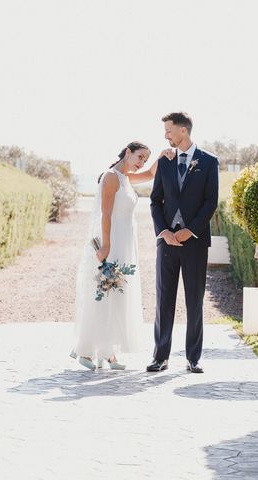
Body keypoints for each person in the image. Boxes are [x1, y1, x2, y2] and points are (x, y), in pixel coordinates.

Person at [70, 141, 173, 370]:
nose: (142, 163)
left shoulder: (126, 177)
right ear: (128, 153)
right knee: (105, 293)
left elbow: (148, 174)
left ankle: (108, 352)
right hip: (113, 242)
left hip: (127, 243)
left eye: (145, 158)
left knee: (118, 295)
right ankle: (86, 350)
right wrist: (106, 245)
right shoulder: (111, 177)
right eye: (139, 157)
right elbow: (105, 214)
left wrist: (161, 157)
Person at [148, 112, 219, 374]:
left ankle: (193, 358)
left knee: (194, 301)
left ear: (183, 131)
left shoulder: (209, 161)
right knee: (164, 299)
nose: (166, 136)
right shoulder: (164, 161)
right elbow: (155, 201)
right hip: (167, 242)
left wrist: (190, 230)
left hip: (195, 242)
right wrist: (163, 231)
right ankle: (160, 356)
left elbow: (210, 201)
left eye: (168, 130)